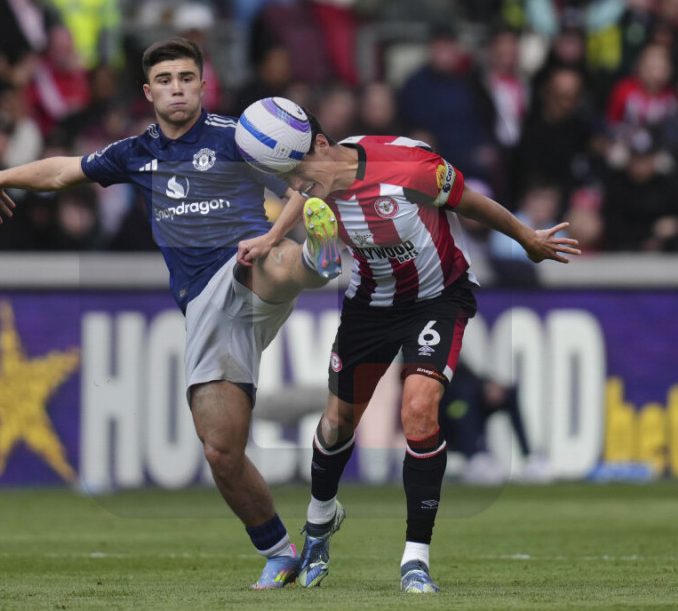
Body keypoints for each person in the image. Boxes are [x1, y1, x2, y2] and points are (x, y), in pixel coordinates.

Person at [0, 37, 342, 589]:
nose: (178, 88)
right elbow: (62, 172)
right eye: (166, 80)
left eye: (187, 78)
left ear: (203, 85)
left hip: (247, 262)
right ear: (148, 92)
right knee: (220, 450)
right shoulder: (134, 152)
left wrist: (274, 233)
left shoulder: (240, 137)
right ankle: (278, 550)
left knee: (275, 261)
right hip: (204, 307)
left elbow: (312, 181)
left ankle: (318, 256)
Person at [239, 98, 580, 593]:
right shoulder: (314, 178)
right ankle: (319, 523)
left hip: (437, 298)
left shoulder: (411, 167)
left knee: (419, 411)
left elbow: (469, 200)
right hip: (370, 304)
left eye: (297, 172)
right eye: (286, 177)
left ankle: (415, 559)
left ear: (321, 146)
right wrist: (273, 237)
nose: (294, 185)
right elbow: (303, 189)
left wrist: (526, 237)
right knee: (336, 424)